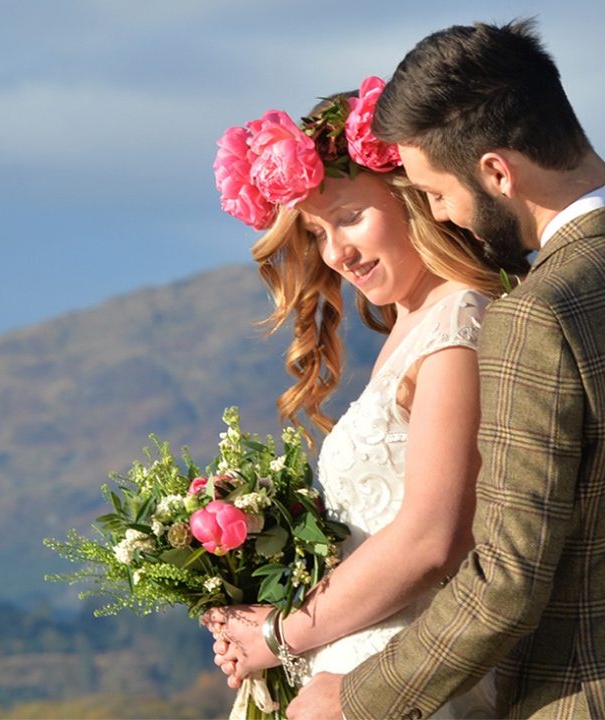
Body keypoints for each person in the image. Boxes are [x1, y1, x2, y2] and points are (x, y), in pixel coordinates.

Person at [285, 19, 605, 720]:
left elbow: (503, 581)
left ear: (497, 172)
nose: (441, 215)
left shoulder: (539, 316)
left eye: (437, 194)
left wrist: (354, 697)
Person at [203, 76, 528, 718]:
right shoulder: (412, 328)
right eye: (320, 232)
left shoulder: (459, 326)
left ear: (414, 198)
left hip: (402, 676)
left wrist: (278, 634)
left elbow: (434, 539)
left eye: (351, 217)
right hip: (349, 662)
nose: (338, 252)